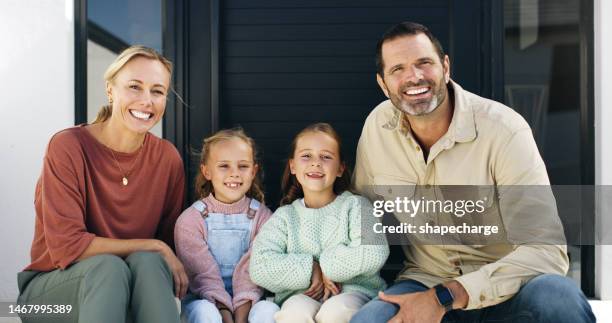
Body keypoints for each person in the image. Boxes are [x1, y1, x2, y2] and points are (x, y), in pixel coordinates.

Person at [350, 22, 595, 323]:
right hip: (425, 281)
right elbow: (356, 210)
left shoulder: (504, 130)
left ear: (445, 67)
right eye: (398, 69)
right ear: (383, 84)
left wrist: (448, 296)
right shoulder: (378, 128)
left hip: (508, 290)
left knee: (559, 299)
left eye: (424, 63)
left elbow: (546, 251)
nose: (413, 77)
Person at [17, 46, 187, 323]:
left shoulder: (167, 159)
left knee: (150, 261)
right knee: (109, 268)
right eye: (134, 87)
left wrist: (158, 250)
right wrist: (154, 245)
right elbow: (67, 247)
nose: (146, 100)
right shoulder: (68, 147)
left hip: (126, 287)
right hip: (47, 297)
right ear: (110, 91)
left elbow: (167, 250)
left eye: (157, 91)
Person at [249, 123, 390, 323]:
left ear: (340, 168)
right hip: (302, 295)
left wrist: (325, 266)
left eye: (326, 157)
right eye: (306, 156)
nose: (316, 163)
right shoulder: (284, 216)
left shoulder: (357, 206)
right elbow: (260, 267)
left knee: (336, 312)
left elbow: (374, 251)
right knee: (293, 314)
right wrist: (311, 269)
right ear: (293, 166)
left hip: (354, 293)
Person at [175, 128, 279, 323]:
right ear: (207, 171)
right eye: (224, 166)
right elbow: (203, 275)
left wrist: (240, 317)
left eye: (243, 166)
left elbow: (253, 271)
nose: (234, 174)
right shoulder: (190, 220)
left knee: (268, 310)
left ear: (253, 171)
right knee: (205, 313)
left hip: (250, 301)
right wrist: (224, 312)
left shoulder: (264, 217)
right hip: (205, 299)